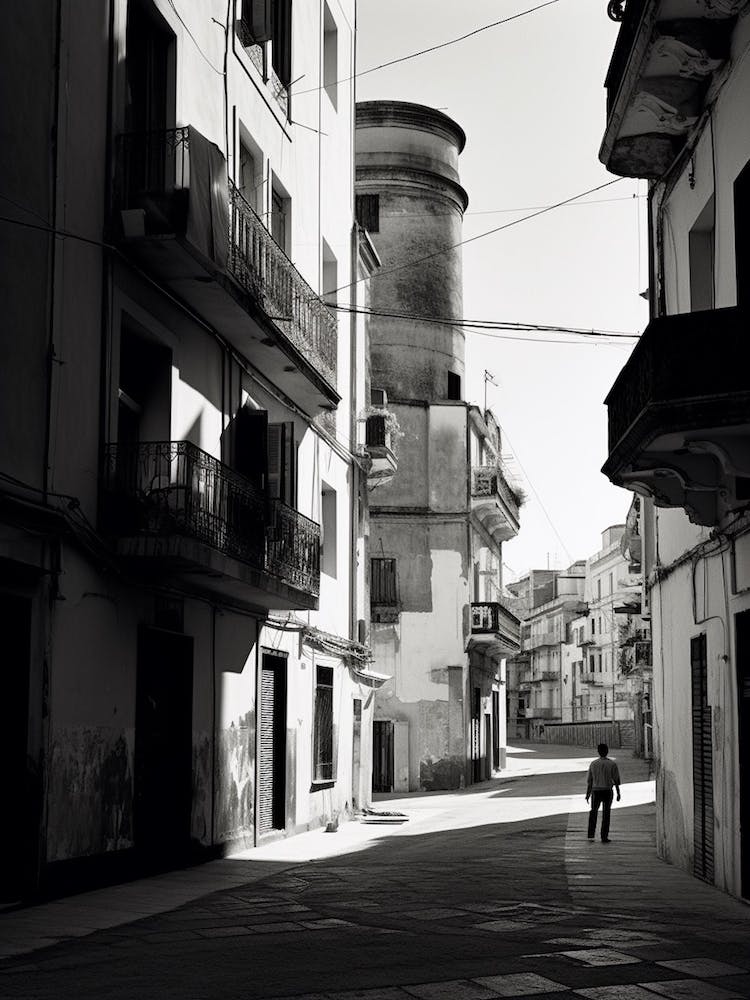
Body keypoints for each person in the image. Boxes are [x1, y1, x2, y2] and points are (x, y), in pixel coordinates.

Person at [585, 742, 621, 842]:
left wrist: (588, 794)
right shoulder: (612, 764)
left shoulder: (593, 764)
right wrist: (618, 793)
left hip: (596, 791)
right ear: (607, 751)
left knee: (593, 812)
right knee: (606, 813)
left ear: (598, 752)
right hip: (607, 791)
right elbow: (616, 780)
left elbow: (590, 781)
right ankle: (604, 836)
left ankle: (591, 834)